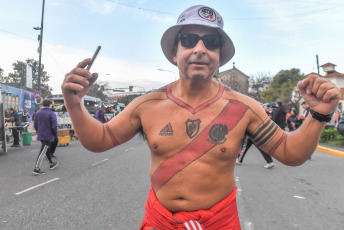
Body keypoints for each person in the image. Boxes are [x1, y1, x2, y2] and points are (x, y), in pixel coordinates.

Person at [61, 5, 342, 229]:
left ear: (219, 55)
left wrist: (319, 114)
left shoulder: (244, 107)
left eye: (210, 42)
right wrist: (74, 105)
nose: (199, 49)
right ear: (175, 51)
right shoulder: (146, 105)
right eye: (188, 40)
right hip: (160, 223)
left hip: (220, 224)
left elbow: (290, 153)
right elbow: (98, 141)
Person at [32, 99, 58, 175]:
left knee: (46, 149)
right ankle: (36, 168)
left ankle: (51, 163)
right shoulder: (51, 113)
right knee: (43, 151)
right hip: (48, 134)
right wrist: (54, 133)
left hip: (41, 134)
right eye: (52, 104)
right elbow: (54, 126)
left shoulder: (37, 113)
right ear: (50, 105)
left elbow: (35, 125)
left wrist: (39, 131)